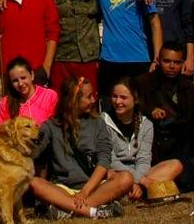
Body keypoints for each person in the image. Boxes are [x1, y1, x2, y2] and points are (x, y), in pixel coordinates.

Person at [29, 75, 127, 219]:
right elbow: (34, 152)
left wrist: (85, 192)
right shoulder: (51, 125)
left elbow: (104, 161)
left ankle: (68, 210)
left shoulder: (97, 123)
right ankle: (92, 211)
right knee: (34, 183)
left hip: (93, 187)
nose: (93, 100)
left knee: (125, 178)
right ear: (73, 101)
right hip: (63, 189)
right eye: (88, 97)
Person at [95, 0, 163, 96]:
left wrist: (157, 57)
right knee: (110, 112)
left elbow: (155, 23)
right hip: (110, 60)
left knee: (142, 109)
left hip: (138, 58)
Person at [135, 43, 194, 191]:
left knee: (187, 181)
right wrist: (149, 110)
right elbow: (131, 105)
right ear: (159, 60)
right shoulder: (143, 82)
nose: (172, 66)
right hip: (154, 141)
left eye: (177, 62)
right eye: (167, 61)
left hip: (182, 140)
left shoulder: (188, 87)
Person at [104, 77, 182, 200]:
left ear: (135, 99)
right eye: (114, 96)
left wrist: (138, 182)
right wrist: (141, 180)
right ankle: (143, 190)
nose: (118, 101)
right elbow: (110, 160)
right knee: (108, 173)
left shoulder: (146, 125)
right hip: (116, 173)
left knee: (176, 165)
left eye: (123, 98)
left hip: (141, 174)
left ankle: (136, 191)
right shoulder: (103, 123)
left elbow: (144, 160)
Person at [0, 56, 59, 125]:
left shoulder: (49, 96)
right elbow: (4, 131)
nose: (20, 84)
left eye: (23, 78)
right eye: (15, 81)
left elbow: (55, 127)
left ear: (32, 75)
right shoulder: (5, 103)